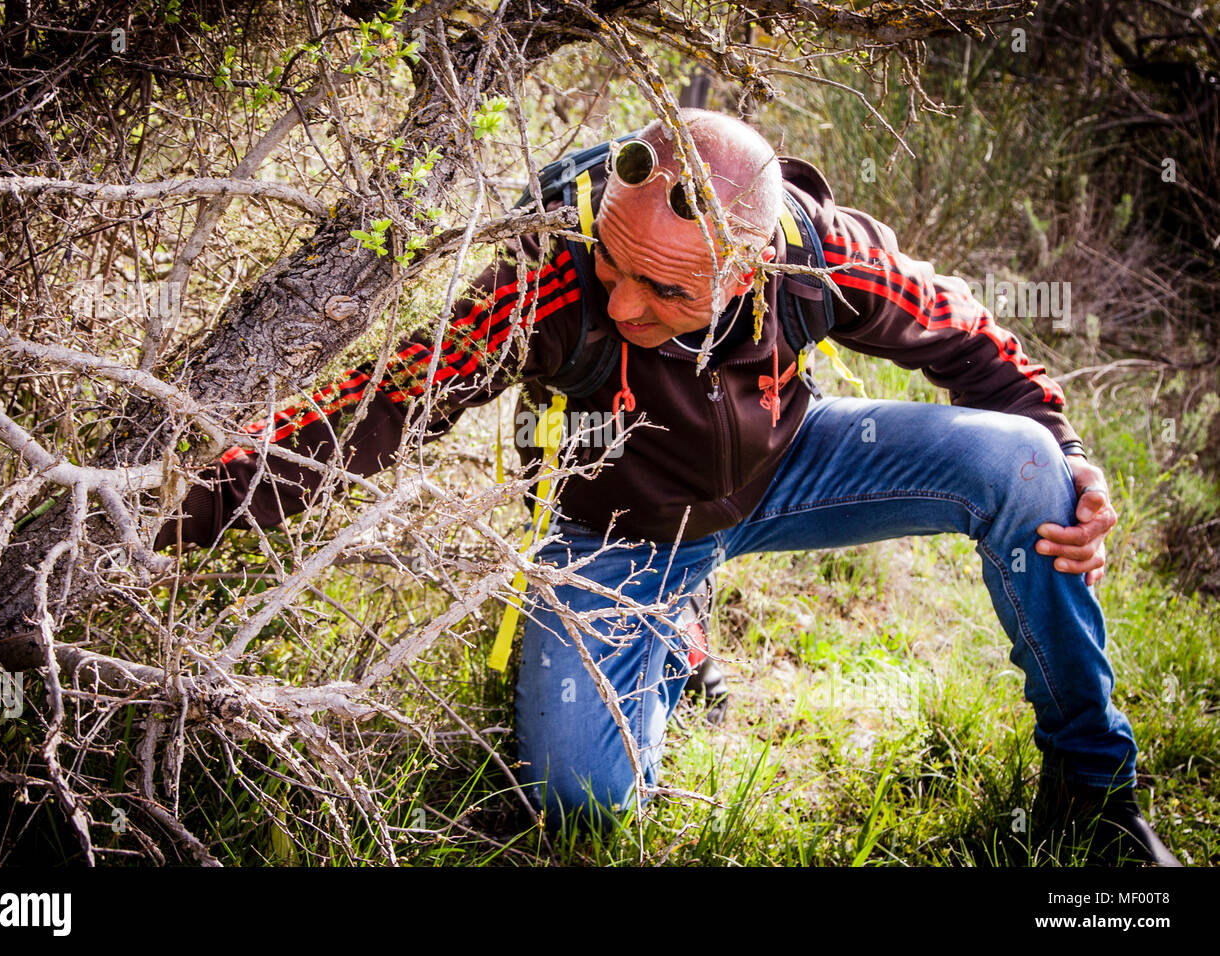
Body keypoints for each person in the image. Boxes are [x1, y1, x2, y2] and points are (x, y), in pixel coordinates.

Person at [155, 108, 1179, 865]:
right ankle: (672, 633)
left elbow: (956, 326)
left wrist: (1063, 443)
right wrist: (173, 507)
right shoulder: (549, 277)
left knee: (1027, 465)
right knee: (584, 803)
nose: (625, 298)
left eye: (668, 288)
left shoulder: (815, 257)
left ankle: (1092, 791)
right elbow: (378, 400)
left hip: (791, 468)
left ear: (749, 267)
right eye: (616, 262)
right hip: (620, 528)